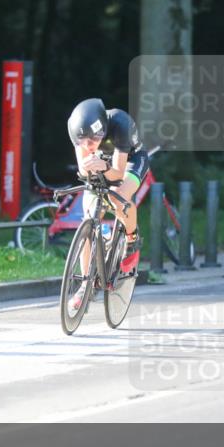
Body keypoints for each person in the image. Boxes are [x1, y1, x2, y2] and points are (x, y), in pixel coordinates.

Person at [66, 98, 150, 312]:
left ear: (103, 128)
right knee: (88, 211)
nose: (88, 145)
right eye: (83, 141)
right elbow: (84, 171)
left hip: (131, 159)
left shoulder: (121, 122)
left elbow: (117, 173)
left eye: (93, 139)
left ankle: (132, 238)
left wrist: (101, 166)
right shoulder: (75, 127)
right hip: (104, 159)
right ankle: (85, 285)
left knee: (117, 195)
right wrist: (91, 167)